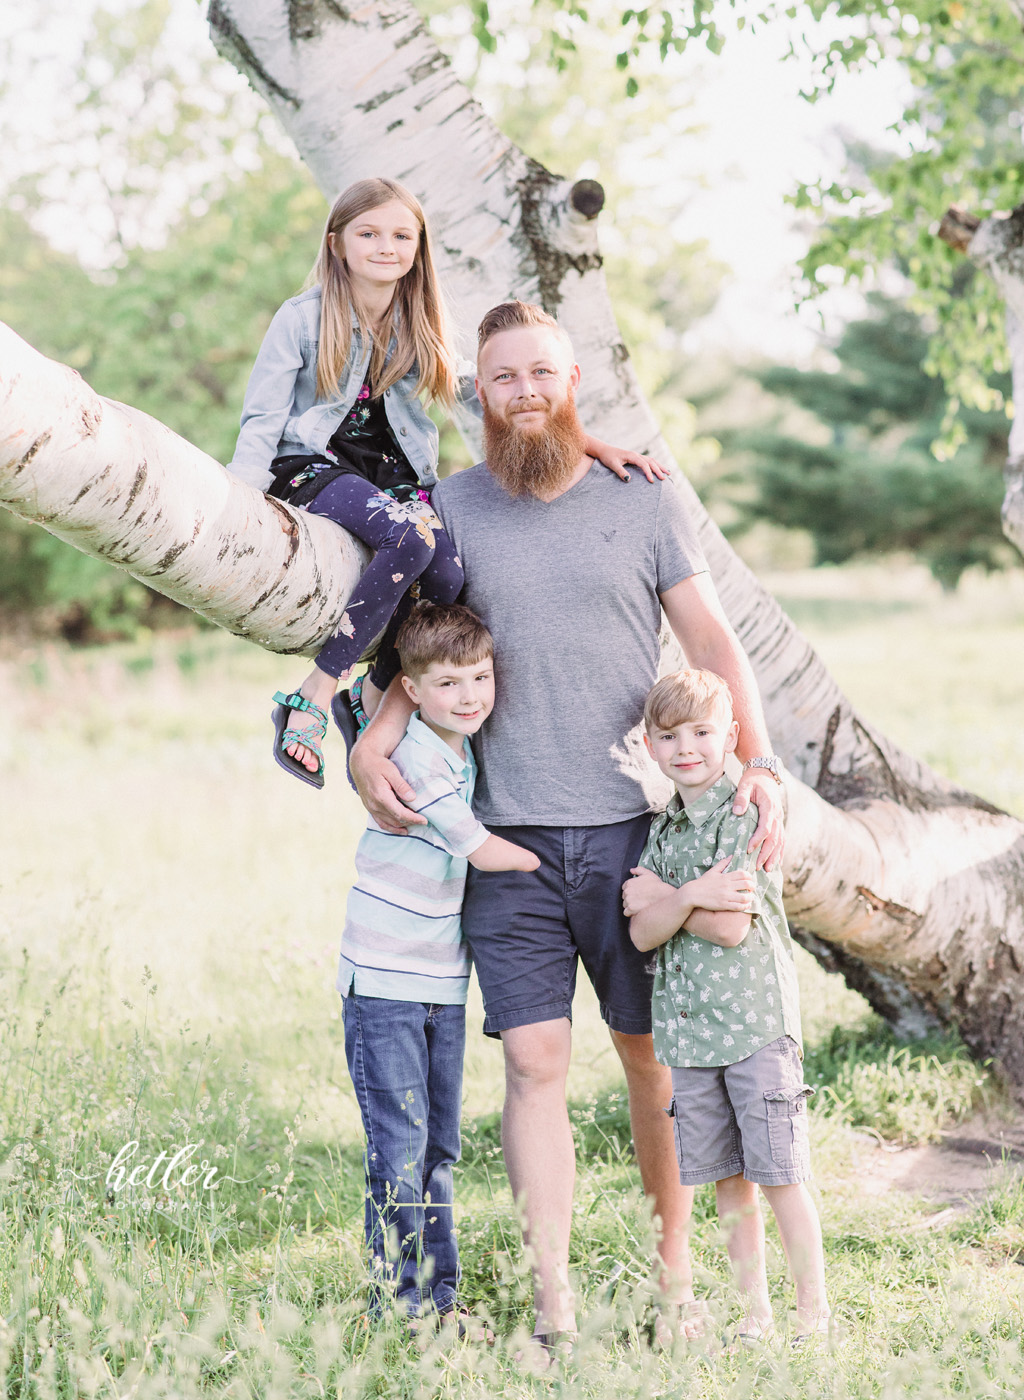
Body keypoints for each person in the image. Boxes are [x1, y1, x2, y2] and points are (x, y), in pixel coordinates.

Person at [349, 299, 786, 1356]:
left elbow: (712, 641)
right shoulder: (446, 507)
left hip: (637, 837)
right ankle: (555, 1306)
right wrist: (375, 735)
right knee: (536, 1060)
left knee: (652, 1060)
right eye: (504, 377)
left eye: (542, 372)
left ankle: (674, 1285)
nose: (526, 391)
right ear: (480, 393)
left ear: (572, 378)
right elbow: (417, 644)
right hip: (508, 845)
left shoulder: (641, 502)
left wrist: (758, 760)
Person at [226, 177, 665, 788]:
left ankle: (368, 692)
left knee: (449, 575)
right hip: (313, 467)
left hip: (393, 476)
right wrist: (241, 500)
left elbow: (489, 388)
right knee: (409, 542)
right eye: (369, 233)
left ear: (419, 246)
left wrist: (585, 441)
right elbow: (263, 416)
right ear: (336, 244)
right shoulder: (303, 318)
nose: (387, 246)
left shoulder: (417, 321)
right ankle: (313, 694)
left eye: (402, 235)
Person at [338, 600, 540, 1329]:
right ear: (413, 690)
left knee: (439, 1147)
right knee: (399, 1149)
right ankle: (397, 1306)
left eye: (480, 678)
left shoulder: (458, 742)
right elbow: (486, 851)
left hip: (439, 982)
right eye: (450, 683)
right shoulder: (419, 756)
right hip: (386, 985)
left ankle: (439, 1295)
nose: (471, 696)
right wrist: (559, 870)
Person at [623, 668, 829, 1345]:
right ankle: (755, 1316)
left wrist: (665, 898)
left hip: (753, 1031)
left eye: (703, 732)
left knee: (779, 1176)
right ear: (650, 745)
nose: (687, 748)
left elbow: (730, 927)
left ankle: (813, 1316)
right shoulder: (664, 830)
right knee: (728, 1185)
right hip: (691, 1038)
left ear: (731, 737)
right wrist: (687, 897)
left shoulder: (742, 814)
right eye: (670, 735)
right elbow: (639, 930)